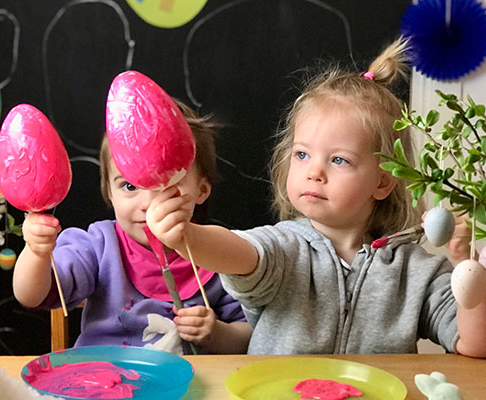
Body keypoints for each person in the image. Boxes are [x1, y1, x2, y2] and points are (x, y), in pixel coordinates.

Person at [146, 38, 486, 356]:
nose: (314, 172)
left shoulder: (416, 271)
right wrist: (186, 236)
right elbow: (236, 251)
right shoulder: (283, 248)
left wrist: (467, 267)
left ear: (382, 183)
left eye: (339, 160)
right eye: (302, 155)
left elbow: (474, 344)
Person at [13, 100, 251, 355]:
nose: (148, 203)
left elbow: (249, 337)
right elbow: (30, 295)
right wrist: (36, 252)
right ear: (109, 192)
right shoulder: (99, 246)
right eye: (130, 187)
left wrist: (216, 333)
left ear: (201, 190)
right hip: (102, 385)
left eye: (166, 185)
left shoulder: (221, 254)